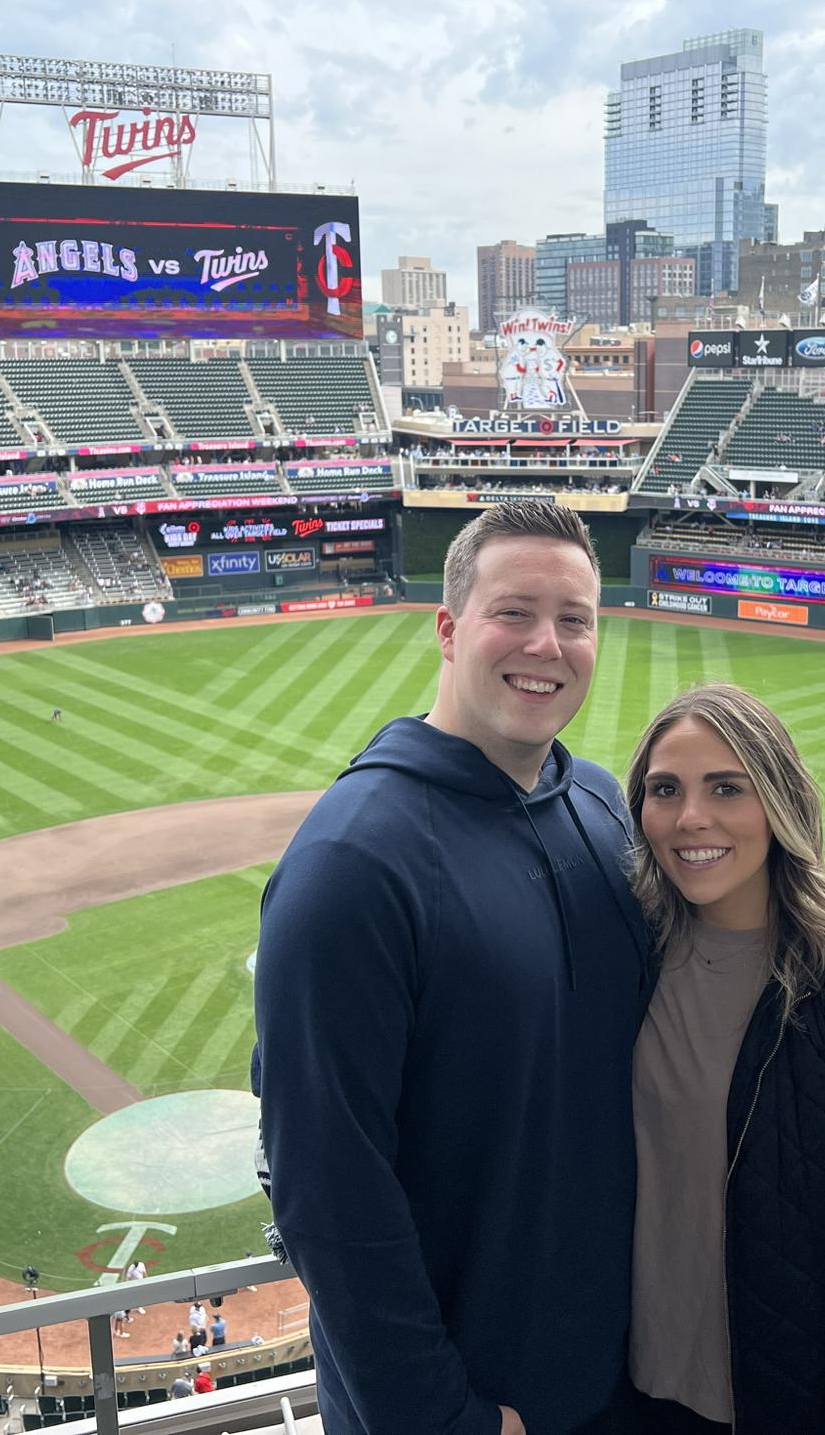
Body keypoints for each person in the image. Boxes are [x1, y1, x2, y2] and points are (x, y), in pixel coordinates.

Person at [254, 502, 649, 1435]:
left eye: (576, 618)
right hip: (475, 1410)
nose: (547, 644)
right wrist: (446, 1419)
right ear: (448, 628)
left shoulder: (599, 804)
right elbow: (324, 1186)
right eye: (515, 611)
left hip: (619, 1380)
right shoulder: (351, 864)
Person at [618, 684, 825, 1434]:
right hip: (623, 1395)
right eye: (666, 790)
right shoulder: (630, 958)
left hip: (772, 1406)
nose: (691, 817)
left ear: (780, 802)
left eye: (727, 787)